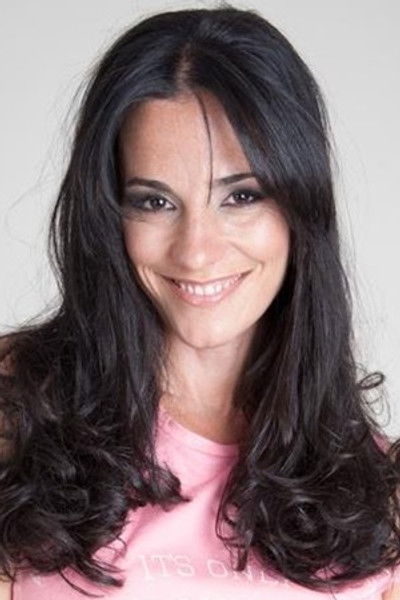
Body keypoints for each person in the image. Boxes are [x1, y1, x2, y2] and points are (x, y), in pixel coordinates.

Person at [0, 3, 400, 599]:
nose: (196, 251)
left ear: (300, 206)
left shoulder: (379, 494)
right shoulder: (17, 413)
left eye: (240, 197)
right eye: (155, 202)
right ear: (110, 216)